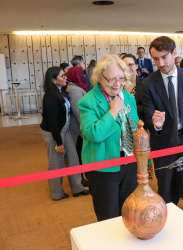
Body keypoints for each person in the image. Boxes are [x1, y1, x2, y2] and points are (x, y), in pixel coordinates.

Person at [141, 36, 183, 218]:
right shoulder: (148, 83)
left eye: (164, 57)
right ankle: (169, 224)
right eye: (155, 59)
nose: (160, 63)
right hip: (163, 142)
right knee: (166, 190)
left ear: (174, 53)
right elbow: (148, 117)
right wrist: (155, 124)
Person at [78, 54, 139, 221]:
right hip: (103, 166)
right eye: (112, 79)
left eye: (121, 78)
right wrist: (113, 111)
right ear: (100, 77)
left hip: (128, 162)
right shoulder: (87, 101)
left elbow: (136, 126)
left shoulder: (128, 97)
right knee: (108, 215)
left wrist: (155, 125)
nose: (117, 84)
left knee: (129, 210)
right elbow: (94, 134)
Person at [40, 67, 89, 201]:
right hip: (53, 132)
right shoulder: (50, 95)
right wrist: (59, 143)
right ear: (54, 80)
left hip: (64, 129)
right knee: (56, 163)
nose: (66, 78)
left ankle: (77, 188)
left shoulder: (61, 91)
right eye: (62, 76)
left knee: (73, 157)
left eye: (65, 75)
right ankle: (56, 193)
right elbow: (52, 122)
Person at [65, 66, 88, 186]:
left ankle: (81, 178)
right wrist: (87, 127)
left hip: (79, 128)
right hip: (78, 129)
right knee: (79, 155)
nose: (84, 76)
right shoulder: (75, 90)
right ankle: (80, 180)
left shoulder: (78, 87)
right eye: (82, 74)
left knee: (80, 154)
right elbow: (79, 112)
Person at [122, 54, 144, 121]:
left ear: (136, 66)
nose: (127, 68)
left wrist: (129, 108)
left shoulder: (145, 84)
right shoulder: (118, 85)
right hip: (122, 125)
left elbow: (148, 107)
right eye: (124, 66)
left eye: (130, 65)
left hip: (140, 123)